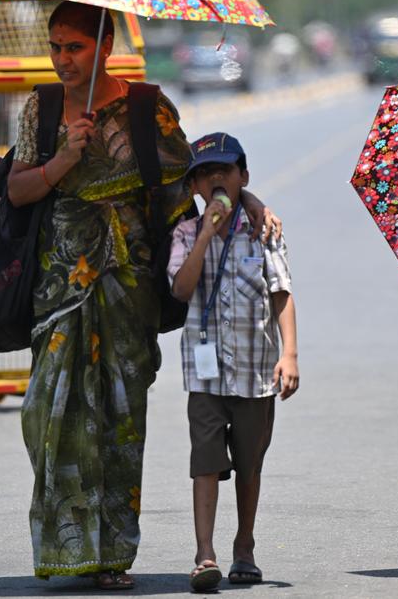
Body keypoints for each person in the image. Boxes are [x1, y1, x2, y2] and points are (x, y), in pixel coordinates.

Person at [4, 1, 279, 590]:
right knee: (49, 414)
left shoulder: (147, 108)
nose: (61, 59)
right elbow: (18, 191)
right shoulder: (42, 108)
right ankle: (66, 546)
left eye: (74, 46)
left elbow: (191, 178)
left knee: (120, 419)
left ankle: (112, 556)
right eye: (54, 47)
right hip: (61, 289)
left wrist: (247, 200)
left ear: (103, 45)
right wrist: (63, 160)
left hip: (130, 290)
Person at [167, 133, 299, 592]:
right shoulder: (185, 234)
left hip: (256, 372)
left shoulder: (264, 230)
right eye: (206, 174)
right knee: (204, 462)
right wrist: (205, 233)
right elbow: (181, 290)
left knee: (249, 463)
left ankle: (245, 545)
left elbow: (281, 295)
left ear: (244, 176)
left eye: (225, 170)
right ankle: (205, 554)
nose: (216, 179)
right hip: (204, 375)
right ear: (196, 187)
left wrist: (290, 355)